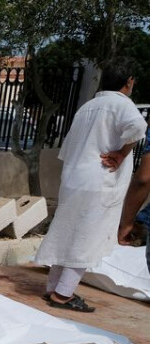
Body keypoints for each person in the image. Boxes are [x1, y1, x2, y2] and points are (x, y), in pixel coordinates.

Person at [34, 59, 147, 313]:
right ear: (128, 81)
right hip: (100, 180)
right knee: (86, 237)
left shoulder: (88, 107)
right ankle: (64, 293)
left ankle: (53, 287)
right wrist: (121, 153)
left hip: (74, 179)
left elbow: (68, 149)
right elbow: (139, 127)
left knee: (66, 233)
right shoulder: (121, 104)